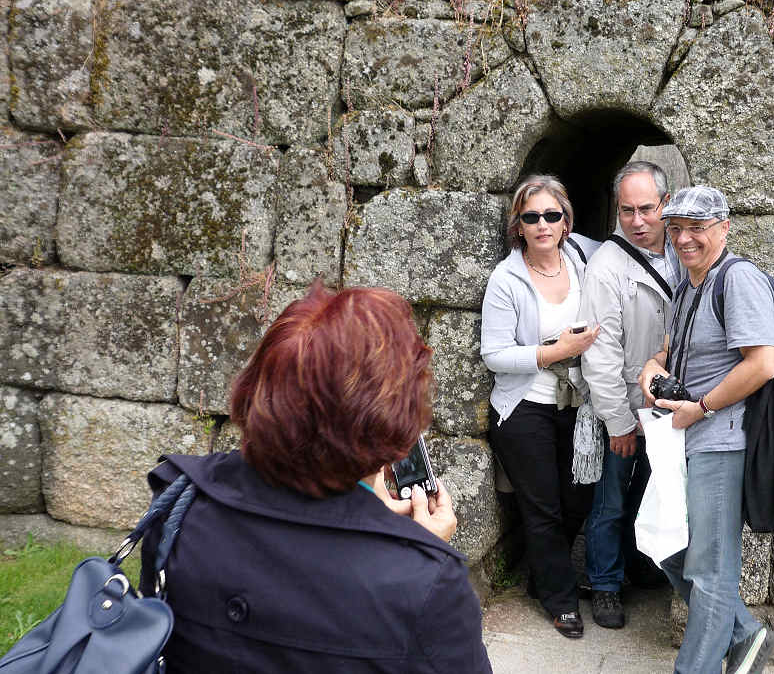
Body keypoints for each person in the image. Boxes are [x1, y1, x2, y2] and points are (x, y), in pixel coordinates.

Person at [141, 284, 492, 674]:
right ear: (395, 423)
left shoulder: (179, 508)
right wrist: (419, 552)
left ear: (258, 387)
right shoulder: (426, 585)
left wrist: (376, 521)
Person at [639, 186, 774, 674]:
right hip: (683, 441)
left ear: (723, 228)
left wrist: (700, 408)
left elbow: (762, 364)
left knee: (710, 571)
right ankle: (744, 633)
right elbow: (670, 349)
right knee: (667, 547)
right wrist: (652, 367)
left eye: (696, 228)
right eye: (675, 228)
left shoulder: (739, 280)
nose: (684, 238)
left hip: (721, 442)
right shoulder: (689, 285)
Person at [480, 174, 601, 639]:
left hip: (578, 402)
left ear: (566, 221)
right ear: (519, 226)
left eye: (552, 215)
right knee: (543, 506)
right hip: (525, 405)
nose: (543, 224)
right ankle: (560, 598)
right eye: (531, 217)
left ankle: (544, 576)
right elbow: (494, 354)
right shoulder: (507, 278)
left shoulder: (585, 257)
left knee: (579, 498)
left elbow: (631, 251)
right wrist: (553, 352)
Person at [578, 160, 681, 629]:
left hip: (669, 406)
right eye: (626, 211)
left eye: (646, 209)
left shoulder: (683, 250)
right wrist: (618, 421)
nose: (637, 221)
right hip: (623, 402)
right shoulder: (607, 266)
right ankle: (604, 584)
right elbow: (599, 354)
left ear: (665, 203)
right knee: (611, 501)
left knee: (652, 492)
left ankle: (639, 564)